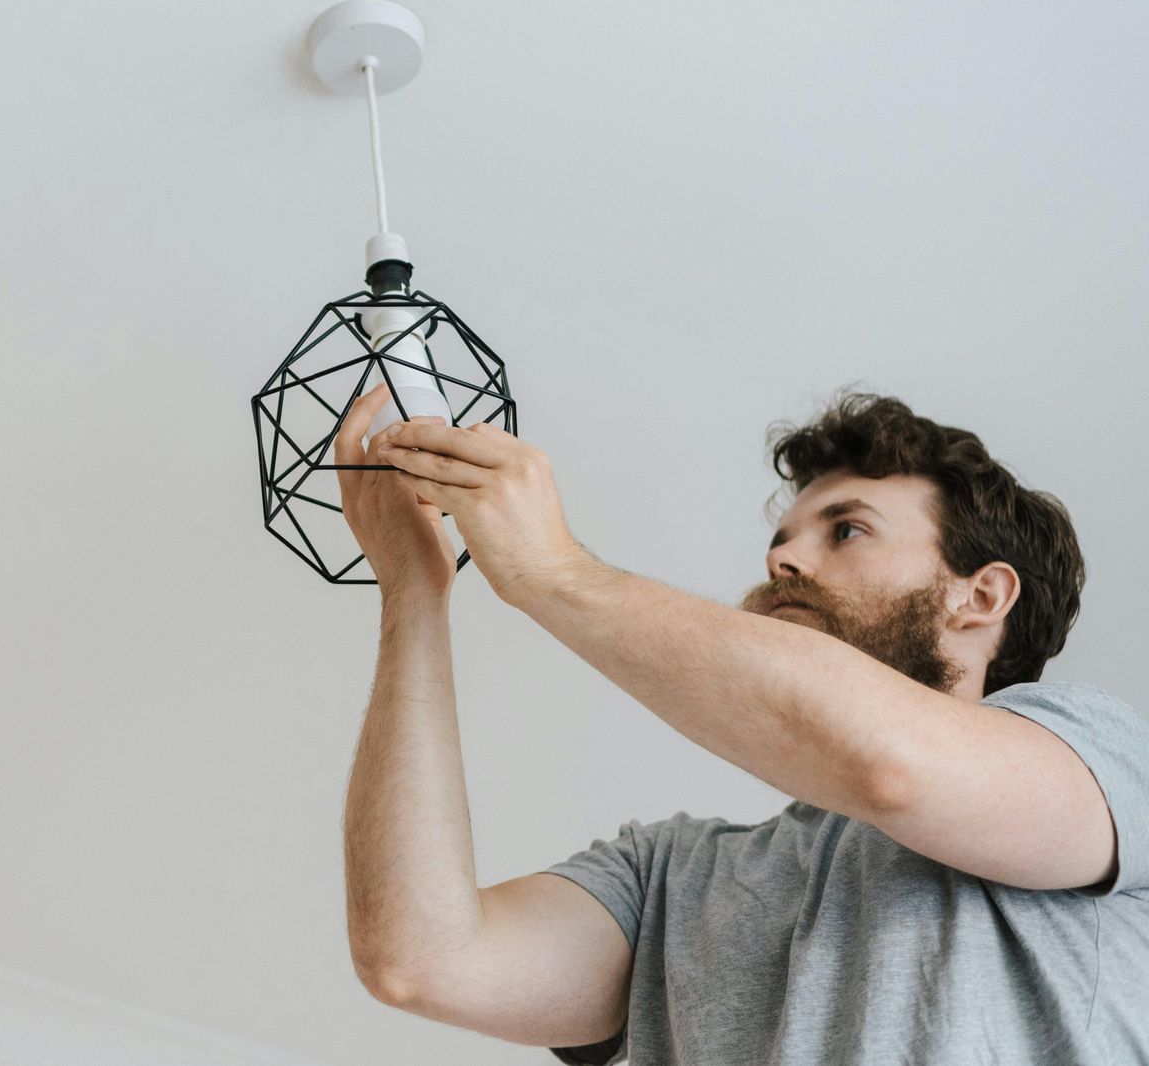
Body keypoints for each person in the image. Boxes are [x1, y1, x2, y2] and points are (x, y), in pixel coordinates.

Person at [338, 382, 1149, 1064]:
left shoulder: (1097, 750)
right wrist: (413, 591)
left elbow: (888, 766)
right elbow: (422, 959)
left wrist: (556, 574)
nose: (781, 560)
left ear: (981, 596)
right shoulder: (668, 874)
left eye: (848, 529)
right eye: (781, 539)